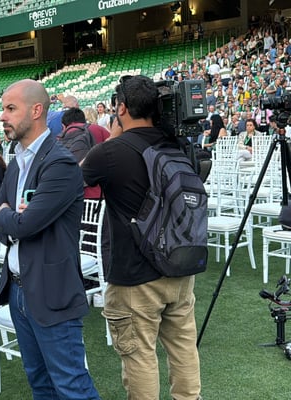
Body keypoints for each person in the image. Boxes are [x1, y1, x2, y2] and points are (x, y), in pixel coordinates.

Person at [82, 75, 202, 399]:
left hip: (134, 277)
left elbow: (75, 178)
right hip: (179, 266)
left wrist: (113, 136)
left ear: (121, 108)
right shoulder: (177, 145)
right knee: (184, 349)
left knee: (139, 356)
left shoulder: (111, 152)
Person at [0, 79, 100, 399]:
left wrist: (8, 218)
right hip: (18, 290)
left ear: (36, 110)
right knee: (40, 383)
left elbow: (27, 225)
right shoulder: (17, 162)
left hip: (51, 290)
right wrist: (10, 217)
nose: (2, 116)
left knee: (71, 386)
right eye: (3, 109)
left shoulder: (59, 162)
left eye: (11, 108)